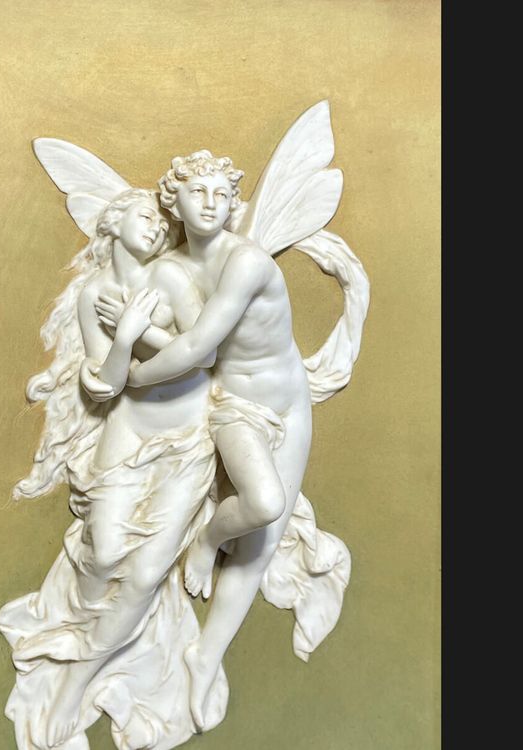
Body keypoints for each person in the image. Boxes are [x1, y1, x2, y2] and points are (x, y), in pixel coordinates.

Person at [0, 188, 226, 749]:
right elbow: (104, 383)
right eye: (144, 216)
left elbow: (205, 355)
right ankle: (94, 632)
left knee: (144, 576)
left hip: (186, 439)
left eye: (159, 222)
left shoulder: (171, 276)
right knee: (102, 556)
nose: (155, 226)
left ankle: (75, 684)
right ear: (114, 222)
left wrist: (140, 329)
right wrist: (125, 335)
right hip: (129, 431)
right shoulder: (95, 292)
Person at [118, 151, 315, 730]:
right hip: (236, 404)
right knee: (264, 503)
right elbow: (188, 348)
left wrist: (136, 375)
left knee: (262, 544)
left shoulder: (246, 260)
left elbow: (196, 346)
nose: (209, 203)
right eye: (197, 192)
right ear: (174, 202)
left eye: (220, 194)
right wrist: (127, 338)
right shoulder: (169, 269)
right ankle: (207, 540)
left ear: (233, 205)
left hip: (290, 398)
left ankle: (205, 658)